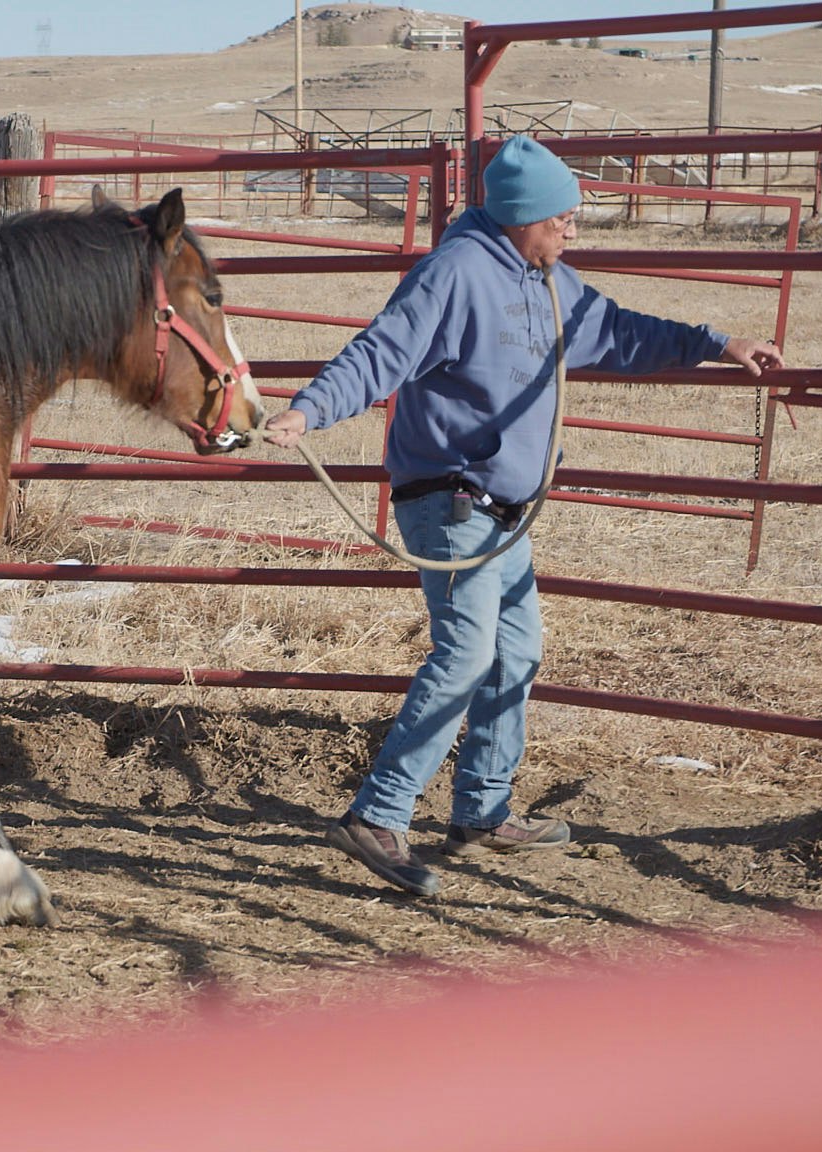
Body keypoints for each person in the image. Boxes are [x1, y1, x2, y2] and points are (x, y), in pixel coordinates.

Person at [262, 135, 785, 898]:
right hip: (452, 498)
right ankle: (376, 814)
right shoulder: (454, 274)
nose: (574, 229)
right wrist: (310, 411)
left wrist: (716, 344)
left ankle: (480, 809)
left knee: (518, 652)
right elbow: (382, 353)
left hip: (507, 510)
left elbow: (621, 330)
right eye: (564, 217)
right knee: (468, 653)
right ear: (522, 216)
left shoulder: (550, 282)